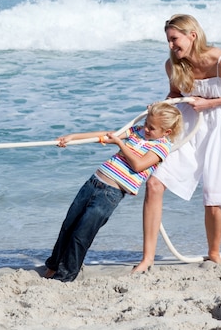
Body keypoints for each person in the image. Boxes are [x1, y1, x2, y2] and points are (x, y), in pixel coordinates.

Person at [132, 14, 221, 274]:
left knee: (213, 198)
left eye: (174, 39)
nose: (170, 46)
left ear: (192, 36)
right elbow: (177, 95)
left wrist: (208, 103)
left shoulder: (219, 60)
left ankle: (214, 255)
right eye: (167, 40)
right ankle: (147, 259)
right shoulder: (173, 65)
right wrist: (161, 106)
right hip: (187, 125)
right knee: (154, 183)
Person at [44, 102, 183, 282]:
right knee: (68, 225)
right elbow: (107, 135)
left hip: (110, 194)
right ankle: (53, 266)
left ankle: (64, 277)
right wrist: (73, 137)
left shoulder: (161, 147)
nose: (146, 129)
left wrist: (120, 144)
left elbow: (138, 165)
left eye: (152, 128)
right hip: (93, 182)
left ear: (167, 132)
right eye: (147, 123)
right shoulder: (137, 131)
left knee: (82, 234)